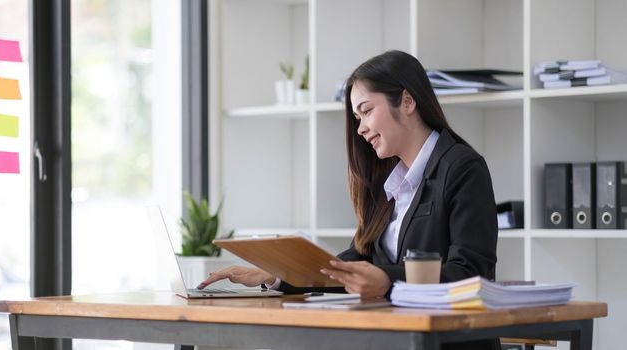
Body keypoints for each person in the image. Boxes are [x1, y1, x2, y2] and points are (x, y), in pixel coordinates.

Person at [199, 49, 499, 350]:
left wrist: (387, 280)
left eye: (367, 111)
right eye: (357, 117)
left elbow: (470, 273)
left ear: (407, 102)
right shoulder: (388, 184)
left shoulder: (461, 167)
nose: (360, 128)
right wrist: (280, 273)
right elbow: (360, 259)